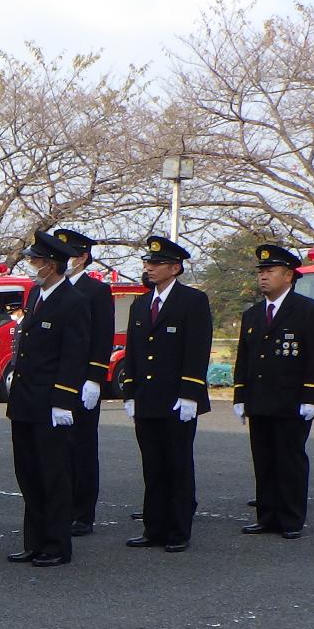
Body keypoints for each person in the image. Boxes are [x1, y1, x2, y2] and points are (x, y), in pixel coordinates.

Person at [3, 229, 92, 568]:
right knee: (28, 474)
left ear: (52, 265)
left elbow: (74, 354)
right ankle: (34, 540)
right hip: (26, 401)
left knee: (53, 476)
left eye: (36, 261)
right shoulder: (35, 297)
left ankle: (56, 544)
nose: (30, 266)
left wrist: (63, 400)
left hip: (50, 403)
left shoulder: (73, 301)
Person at [119, 236, 212, 552]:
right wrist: (129, 390)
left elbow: (197, 349)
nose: (149, 267)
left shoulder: (192, 301)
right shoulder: (141, 303)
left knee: (177, 463)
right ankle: (153, 527)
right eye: (147, 262)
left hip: (176, 399)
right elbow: (133, 351)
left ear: (175, 268)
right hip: (147, 397)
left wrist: (190, 393)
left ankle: (177, 530)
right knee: (152, 465)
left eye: (156, 263)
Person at [232, 242, 314, 538]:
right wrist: (240, 395)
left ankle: (290, 518)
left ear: (288, 276)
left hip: (291, 400)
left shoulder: (308, 311)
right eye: (261, 271)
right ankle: (267, 515)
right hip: (260, 399)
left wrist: (312, 395)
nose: (263, 276)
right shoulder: (252, 315)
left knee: (289, 460)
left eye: (270, 270)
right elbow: (244, 357)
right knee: (263, 460)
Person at [54, 228, 116, 536]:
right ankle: (61, 506)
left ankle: (82, 512)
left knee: (81, 446)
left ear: (82, 258)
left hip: (81, 381)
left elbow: (101, 337)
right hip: (55, 382)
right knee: (57, 449)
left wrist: (95, 377)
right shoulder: (51, 290)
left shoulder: (96, 292)